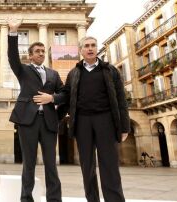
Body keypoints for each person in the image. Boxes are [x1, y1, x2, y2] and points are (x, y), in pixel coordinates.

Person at [60, 36, 130, 202]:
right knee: (87, 166)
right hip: (82, 121)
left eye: (93, 45)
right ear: (81, 50)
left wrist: (124, 127)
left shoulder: (111, 70)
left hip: (105, 120)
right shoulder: (74, 73)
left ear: (96, 48)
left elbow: (121, 99)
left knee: (109, 165)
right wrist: (53, 111)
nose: (90, 48)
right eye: (86, 46)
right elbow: (66, 96)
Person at [7, 18, 65, 202]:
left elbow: (65, 94)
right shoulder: (22, 70)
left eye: (42, 51)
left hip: (49, 122)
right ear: (30, 55)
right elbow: (12, 56)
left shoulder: (53, 74)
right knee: (29, 163)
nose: (41, 53)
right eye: (37, 51)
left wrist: (52, 98)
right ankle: (26, 198)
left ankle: (54, 199)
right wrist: (13, 32)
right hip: (27, 121)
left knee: (51, 164)